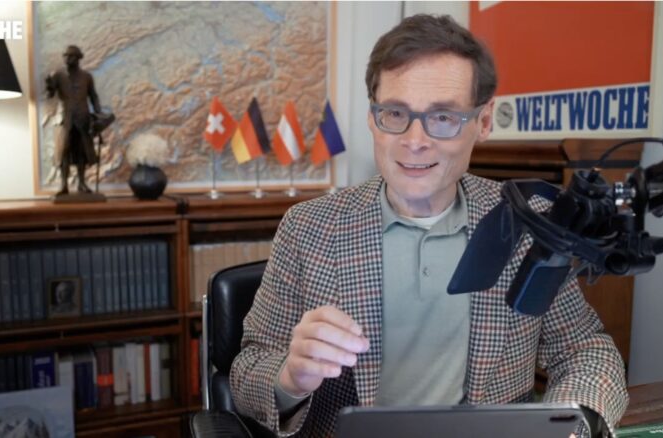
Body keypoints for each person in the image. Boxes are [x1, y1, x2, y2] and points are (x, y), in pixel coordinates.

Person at [230, 14, 628, 438]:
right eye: (395, 113)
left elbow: (585, 350)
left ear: (484, 122)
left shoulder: (531, 221)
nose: (415, 141)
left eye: (442, 117)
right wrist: (290, 377)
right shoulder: (308, 227)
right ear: (372, 118)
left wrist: (573, 427)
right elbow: (247, 370)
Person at [46, 45, 101, 196]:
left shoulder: (87, 77)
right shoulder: (58, 75)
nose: (67, 59)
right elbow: (50, 95)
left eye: (70, 56)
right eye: (65, 56)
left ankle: (82, 183)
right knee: (64, 152)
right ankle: (64, 185)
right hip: (65, 119)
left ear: (78, 58)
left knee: (82, 152)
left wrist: (98, 113)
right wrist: (49, 86)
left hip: (82, 118)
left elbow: (93, 96)